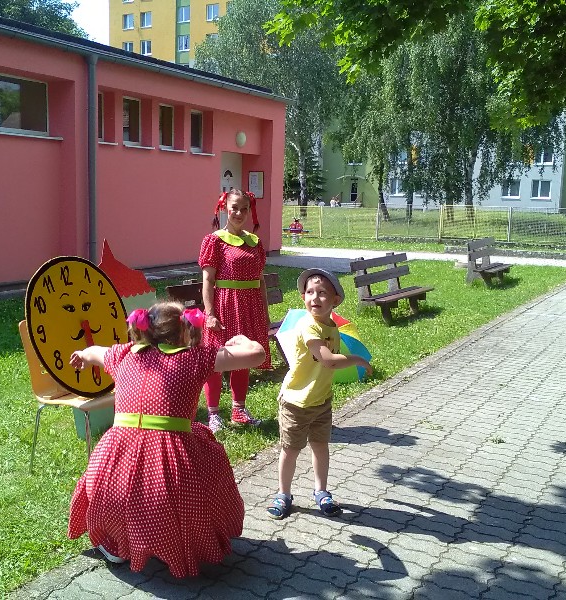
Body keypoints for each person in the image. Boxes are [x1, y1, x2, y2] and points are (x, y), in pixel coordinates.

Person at [67, 302, 265, 578]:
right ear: (184, 331)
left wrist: (81, 355)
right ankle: (181, 541)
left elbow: (94, 351)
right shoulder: (195, 358)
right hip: (169, 468)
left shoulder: (123, 354)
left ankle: (117, 541)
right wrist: (242, 340)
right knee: (208, 463)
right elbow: (257, 354)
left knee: (121, 488)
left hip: (113, 465)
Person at [267, 268, 372, 520]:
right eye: (310, 292)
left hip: (321, 400)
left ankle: (321, 492)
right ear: (303, 297)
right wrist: (358, 360)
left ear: (335, 300)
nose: (315, 297)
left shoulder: (331, 326)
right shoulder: (308, 326)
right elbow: (329, 361)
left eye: (322, 293)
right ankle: (283, 494)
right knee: (290, 450)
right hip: (296, 402)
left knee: (320, 447)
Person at [199, 188, 271, 432]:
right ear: (224, 209)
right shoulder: (215, 241)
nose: (239, 213)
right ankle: (213, 414)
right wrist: (210, 314)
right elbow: (208, 280)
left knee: (243, 356)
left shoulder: (254, 242)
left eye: (244, 209)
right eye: (234, 208)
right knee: (217, 358)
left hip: (249, 306)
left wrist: (264, 312)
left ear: (249, 211)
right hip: (225, 304)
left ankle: (239, 410)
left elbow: (260, 280)